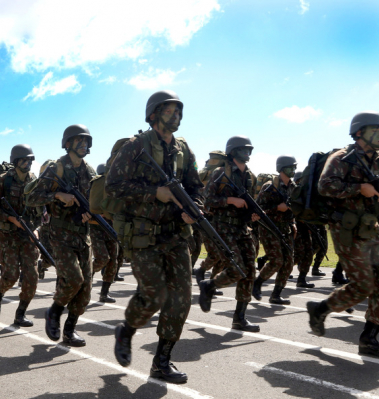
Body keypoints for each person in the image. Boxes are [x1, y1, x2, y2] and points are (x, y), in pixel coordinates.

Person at [108, 90, 202, 383]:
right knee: (154, 295)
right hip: (143, 235)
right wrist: (154, 193)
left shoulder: (184, 149)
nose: (176, 116)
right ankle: (127, 329)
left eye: (179, 111)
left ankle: (162, 361)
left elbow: (195, 186)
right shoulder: (135, 146)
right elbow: (113, 185)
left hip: (175, 234)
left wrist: (194, 208)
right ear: (153, 114)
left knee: (181, 299)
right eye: (169, 111)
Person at [307, 111, 379, 358]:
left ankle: (369, 339)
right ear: (359, 133)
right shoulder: (341, 158)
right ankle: (321, 309)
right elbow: (324, 186)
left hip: (372, 228)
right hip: (346, 230)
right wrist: (360, 189)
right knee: (363, 285)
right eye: (375, 130)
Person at [26, 124, 97, 347]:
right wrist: (57, 195)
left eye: (86, 140)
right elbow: (32, 198)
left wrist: (91, 214)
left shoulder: (89, 170)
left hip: (83, 236)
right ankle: (54, 312)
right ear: (67, 144)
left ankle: (70, 330)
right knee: (74, 279)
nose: (83, 144)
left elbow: (96, 202)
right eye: (78, 140)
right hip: (60, 234)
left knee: (85, 290)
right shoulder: (56, 168)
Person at [198, 136, 261, 332]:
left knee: (250, 271)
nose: (247, 154)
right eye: (243, 150)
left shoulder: (250, 176)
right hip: (223, 227)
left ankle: (239, 318)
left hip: (242, 228)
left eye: (249, 150)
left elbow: (249, 203)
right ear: (233, 152)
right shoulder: (219, 173)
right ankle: (209, 285)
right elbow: (207, 202)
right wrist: (230, 201)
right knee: (237, 269)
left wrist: (253, 215)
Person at [0, 145, 41, 325]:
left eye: (29, 160)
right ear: (16, 162)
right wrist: (10, 218)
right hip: (8, 235)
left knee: (32, 277)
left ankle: (20, 313)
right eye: (24, 160)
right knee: (11, 274)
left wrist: (36, 227)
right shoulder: (3, 181)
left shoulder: (34, 180)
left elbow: (39, 208)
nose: (27, 163)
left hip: (28, 234)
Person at [253, 156, 297, 305]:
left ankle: (276, 295)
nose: (294, 170)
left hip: (286, 228)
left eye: (294, 167)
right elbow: (258, 210)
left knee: (289, 263)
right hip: (269, 228)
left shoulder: (293, 187)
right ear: (282, 169)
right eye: (291, 167)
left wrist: (293, 222)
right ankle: (257, 283)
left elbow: (293, 208)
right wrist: (277, 208)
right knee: (276, 260)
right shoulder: (269, 187)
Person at [91, 163, 120, 303]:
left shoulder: (115, 185)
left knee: (112, 261)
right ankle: (88, 272)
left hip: (112, 227)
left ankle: (104, 293)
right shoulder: (94, 185)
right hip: (96, 227)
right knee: (103, 258)